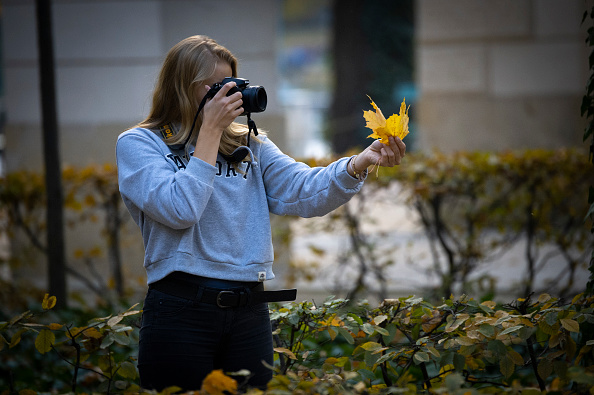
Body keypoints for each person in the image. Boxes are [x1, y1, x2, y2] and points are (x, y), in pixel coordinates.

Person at [116, 35, 406, 392]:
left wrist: (358, 164)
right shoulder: (140, 144)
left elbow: (303, 190)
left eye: (232, 85)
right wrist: (209, 131)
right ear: (182, 85)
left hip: (248, 314)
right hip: (180, 311)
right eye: (216, 86)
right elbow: (180, 209)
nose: (229, 96)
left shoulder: (248, 143)